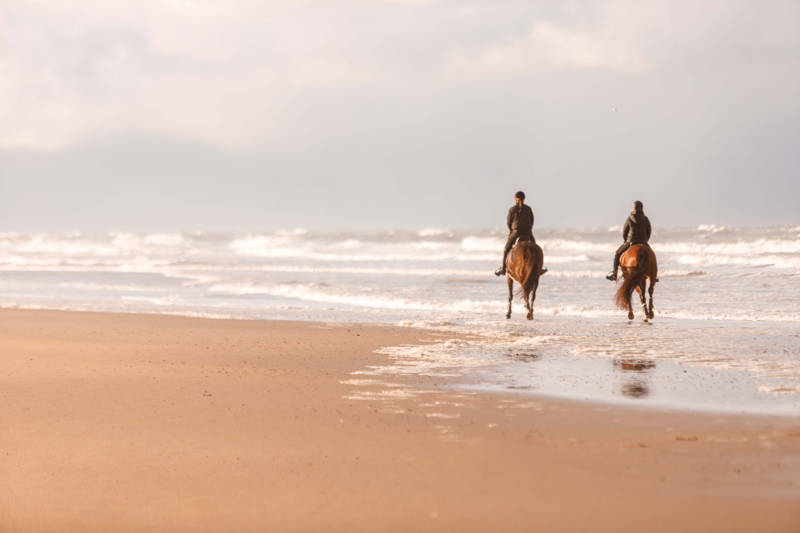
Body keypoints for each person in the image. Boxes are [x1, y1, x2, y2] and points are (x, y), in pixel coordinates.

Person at [606, 200, 652, 281]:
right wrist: (645, 241)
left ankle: (615, 274)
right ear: (642, 208)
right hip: (643, 242)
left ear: (633, 208)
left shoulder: (629, 218)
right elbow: (649, 231)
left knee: (617, 254)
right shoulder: (646, 219)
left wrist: (625, 241)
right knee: (652, 256)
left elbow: (624, 231)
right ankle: (653, 275)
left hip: (631, 242)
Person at [494, 191, 535, 276]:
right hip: (527, 233)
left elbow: (509, 222)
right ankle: (538, 268)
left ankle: (503, 269)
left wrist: (511, 230)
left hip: (516, 232)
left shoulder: (512, 209)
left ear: (516, 199)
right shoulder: (528, 209)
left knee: (506, 249)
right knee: (535, 247)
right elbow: (532, 221)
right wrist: (529, 229)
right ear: (524, 198)